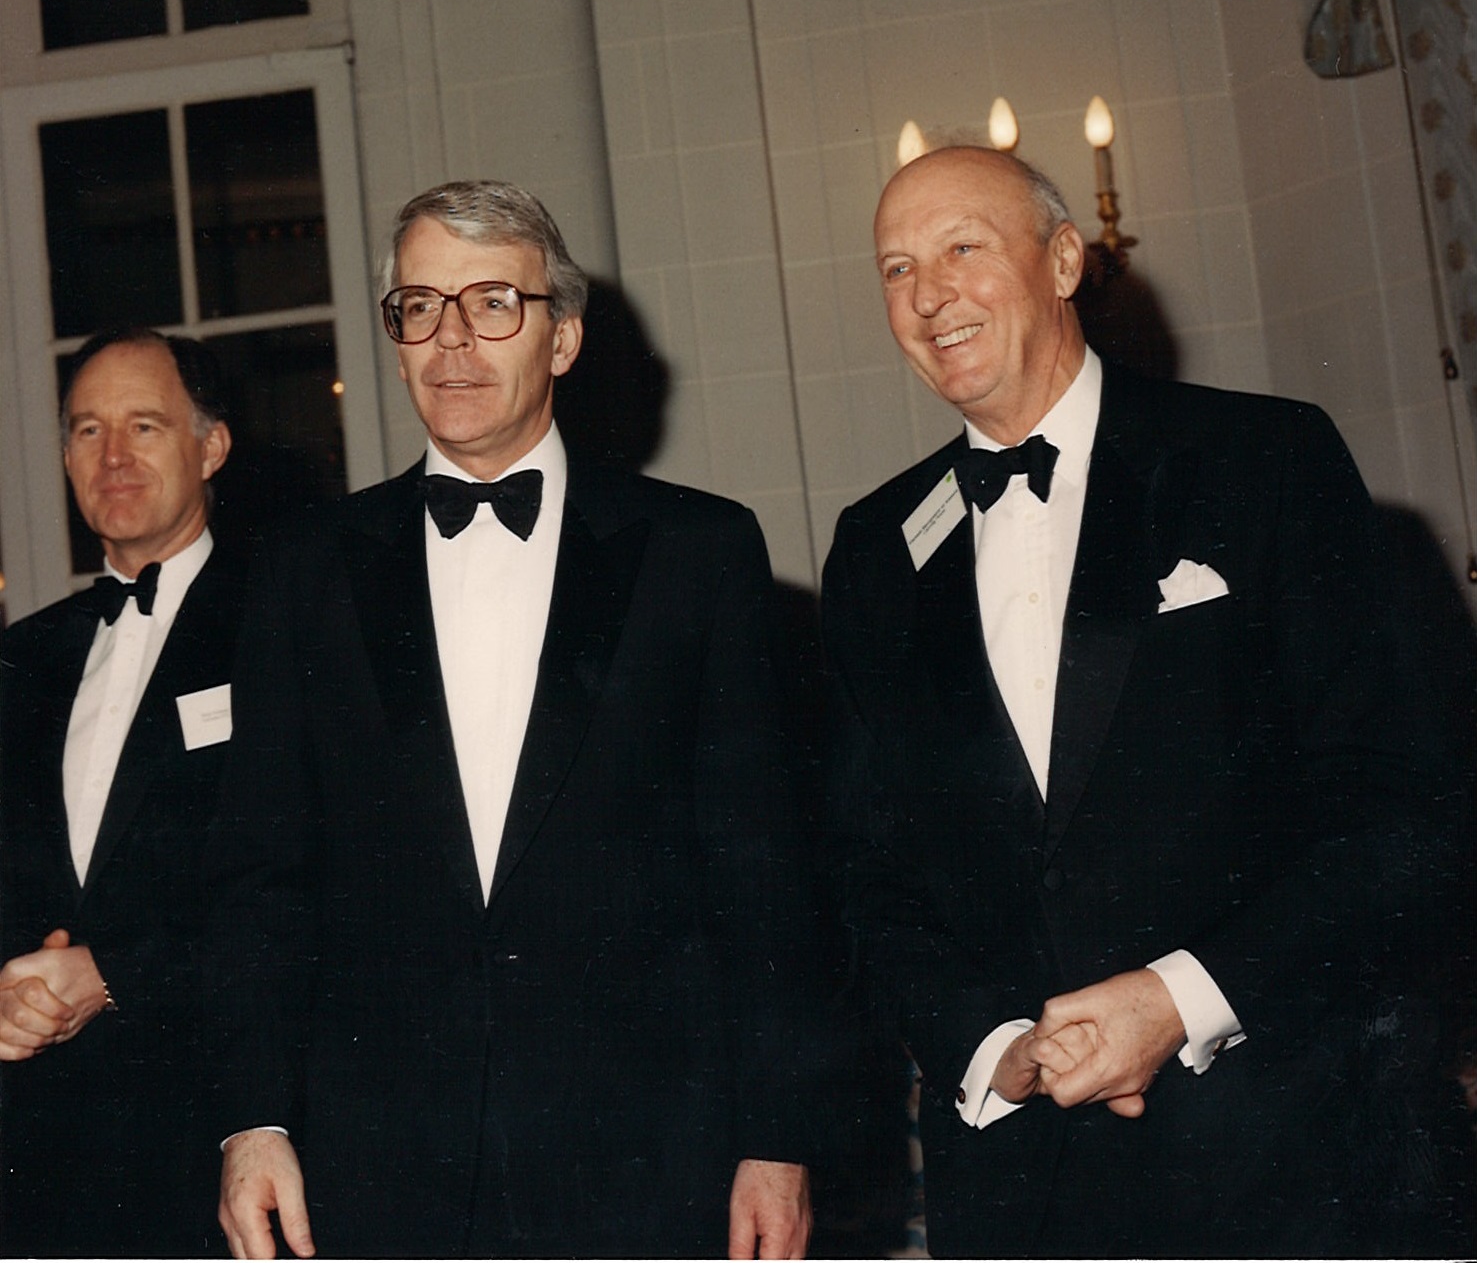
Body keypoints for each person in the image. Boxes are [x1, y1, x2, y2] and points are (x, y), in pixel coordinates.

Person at [821, 145, 1471, 1256]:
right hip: (1028, 1189)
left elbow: (1397, 808)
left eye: (962, 248)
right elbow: (867, 866)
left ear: (1065, 259)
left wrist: (1176, 1000)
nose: (927, 296)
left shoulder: (1263, 457)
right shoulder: (875, 547)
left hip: (1295, 1152)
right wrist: (992, 1050)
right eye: (894, 268)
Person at [206, 179, 814, 1259]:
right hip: (376, 1163)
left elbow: (757, 871)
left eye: (493, 302)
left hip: (646, 1155)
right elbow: (261, 878)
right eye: (419, 306)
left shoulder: (698, 552)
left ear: (564, 336)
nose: (451, 339)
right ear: (392, 339)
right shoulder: (303, 570)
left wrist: (776, 1139)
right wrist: (253, 1121)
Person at [0, 329, 240, 1256]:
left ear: (210, 446)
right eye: (87, 430)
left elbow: (319, 881)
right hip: (43, 1153)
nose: (112, 456)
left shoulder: (284, 622)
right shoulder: (24, 653)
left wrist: (115, 971)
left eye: (144, 425)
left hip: (217, 1137)